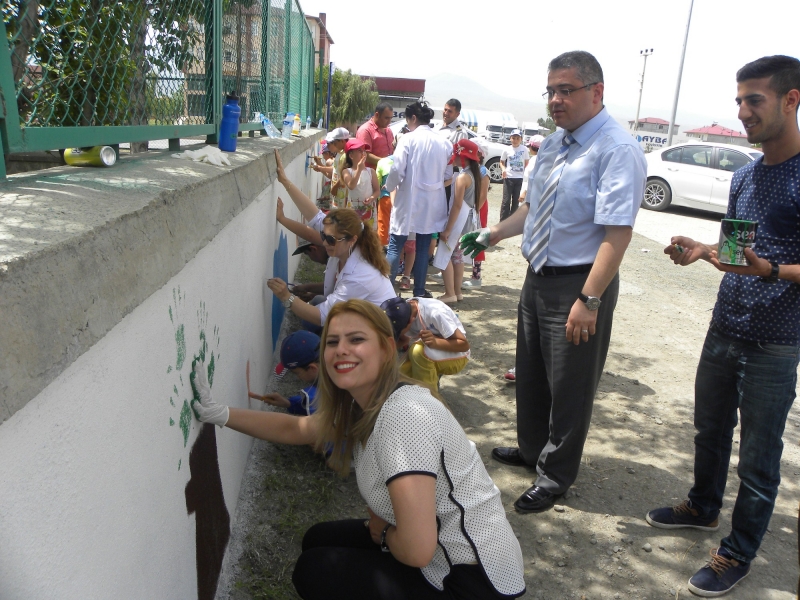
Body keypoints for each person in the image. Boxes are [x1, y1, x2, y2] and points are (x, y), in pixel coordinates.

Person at [190, 299, 526, 600]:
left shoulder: (404, 414)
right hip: (440, 549)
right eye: (332, 342)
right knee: (317, 539)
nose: (341, 350)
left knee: (315, 570)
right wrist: (221, 414)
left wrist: (382, 535)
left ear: (386, 348)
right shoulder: (362, 403)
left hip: (469, 578)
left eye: (357, 339)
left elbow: (417, 550)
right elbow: (297, 427)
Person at [460, 50, 646, 513]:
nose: (556, 100)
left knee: (570, 385)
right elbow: (534, 210)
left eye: (566, 90)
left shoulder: (616, 149)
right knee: (532, 373)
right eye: (551, 91)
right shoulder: (556, 144)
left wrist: (590, 298)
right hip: (538, 276)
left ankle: (556, 474)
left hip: (579, 284)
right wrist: (496, 232)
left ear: (596, 92)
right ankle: (529, 450)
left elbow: (617, 233)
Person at [645, 55, 800, 598]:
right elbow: (738, 252)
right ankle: (703, 507)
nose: (742, 112)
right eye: (738, 101)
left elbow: (768, 261)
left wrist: (773, 270)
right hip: (725, 325)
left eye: (753, 100)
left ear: (790, 100)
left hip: (775, 342)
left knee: (759, 457)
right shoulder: (745, 175)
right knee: (709, 430)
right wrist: (702, 251)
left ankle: (737, 553)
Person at [267, 208, 395, 327]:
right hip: (364, 319)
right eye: (323, 236)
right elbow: (313, 223)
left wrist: (286, 296)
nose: (323, 243)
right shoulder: (345, 248)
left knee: (307, 331)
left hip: (377, 330)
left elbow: (322, 316)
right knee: (317, 301)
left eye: (330, 239)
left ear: (351, 240)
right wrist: (307, 287)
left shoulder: (359, 276)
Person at [384, 101, 453, 298]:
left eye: (408, 120)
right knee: (423, 248)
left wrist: (389, 187)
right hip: (432, 202)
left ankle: (387, 292)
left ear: (413, 118)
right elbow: (448, 173)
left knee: (396, 245)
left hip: (408, 199)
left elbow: (397, 169)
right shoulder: (445, 143)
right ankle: (419, 292)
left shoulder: (407, 139)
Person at [504, 134, 546, 380]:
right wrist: (495, 233)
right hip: (535, 264)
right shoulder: (538, 161)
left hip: (563, 271)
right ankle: (526, 368)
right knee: (530, 323)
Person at [382, 296, 469, 393]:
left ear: (411, 320)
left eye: (398, 332)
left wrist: (436, 342)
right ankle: (426, 384)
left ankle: (430, 401)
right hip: (431, 351)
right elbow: (403, 340)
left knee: (418, 351)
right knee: (396, 381)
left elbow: (464, 345)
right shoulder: (403, 310)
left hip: (458, 355)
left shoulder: (435, 313)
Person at [439, 140, 482, 303]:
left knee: (445, 255)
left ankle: (449, 292)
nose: (454, 159)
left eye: (457, 156)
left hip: (459, 221)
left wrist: (448, 229)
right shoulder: (475, 175)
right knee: (458, 257)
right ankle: (457, 292)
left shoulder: (463, 176)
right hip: (469, 220)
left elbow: (457, 205)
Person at [358, 103, 396, 245]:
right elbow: (364, 155)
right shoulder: (365, 130)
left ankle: (382, 245)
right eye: (387, 118)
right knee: (370, 216)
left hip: (386, 179)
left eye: (391, 118)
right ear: (377, 114)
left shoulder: (388, 131)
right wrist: (385, 162)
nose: (389, 121)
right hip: (370, 178)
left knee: (385, 216)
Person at [260, 331, 320, 415]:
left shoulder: (331, 392)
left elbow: (317, 404)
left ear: (312, 368)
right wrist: (289, 403)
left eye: (297, 373)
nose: (298, 377)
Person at [462, 137, 491, 290]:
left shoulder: (483, 171)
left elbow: (483, 195)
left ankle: (476, 276)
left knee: (478, 237)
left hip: (477, 208)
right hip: (469, 207)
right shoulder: (468, 169)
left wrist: (476, 211)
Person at [341, 139, 380, 229]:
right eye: (359, 151)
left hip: (369, 210)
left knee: (369, 235)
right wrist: (359, 169)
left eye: (364, 151)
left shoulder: (371, 171)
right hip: (353, 211)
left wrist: (372, 198)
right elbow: (351, 185)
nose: (363, 153)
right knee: (355, 233)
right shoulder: (347, 171)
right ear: (351, 155)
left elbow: (377, 190)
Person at [499, 129, 528, 221]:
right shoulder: (506, 149)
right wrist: (503, 169)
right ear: (510, 138)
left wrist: (526, 176)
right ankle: (502, 221)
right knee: (506, 201)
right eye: (513, 138)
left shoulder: (524, 149)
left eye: (517, 138)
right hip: (508, 178)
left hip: (519, 179)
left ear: (521, 139)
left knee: (516, 201)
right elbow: (501, 162)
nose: (515, 140)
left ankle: (512, 221)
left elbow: (527, 163)